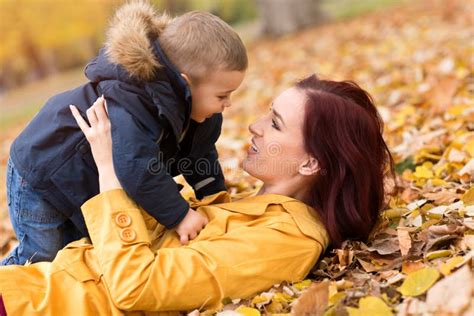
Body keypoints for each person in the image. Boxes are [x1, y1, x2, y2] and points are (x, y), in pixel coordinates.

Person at [0, 74, 395, 314]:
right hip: (30, 289)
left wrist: (110, 167)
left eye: (275, 124)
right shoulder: (254, 210)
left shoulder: (286, 240)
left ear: (311, 164)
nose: (255, 126)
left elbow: (136, 286)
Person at [1, 1, 247, 266]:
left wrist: (214, 196)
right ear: (186, 84)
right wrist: (180, 215)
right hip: (43, 173)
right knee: (42, 257)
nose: (228, 103)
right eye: (222, 95)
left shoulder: (196, 111)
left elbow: (199, 153)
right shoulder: (133, 99)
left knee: (75, 257)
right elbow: (138, 168)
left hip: (84, 180)